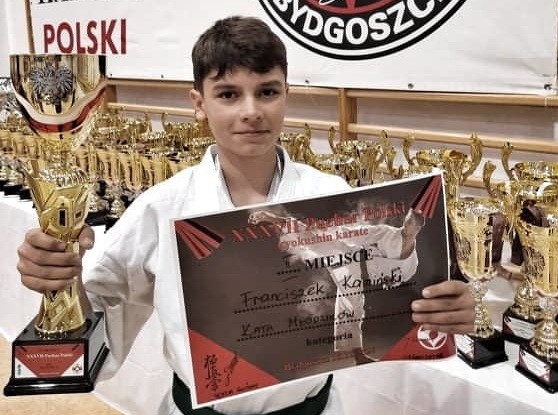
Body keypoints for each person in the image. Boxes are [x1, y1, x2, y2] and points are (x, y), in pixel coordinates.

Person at [16, 16, 475, 415]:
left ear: (287, 95)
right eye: (228, 94)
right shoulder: (162, 207)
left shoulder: (330, 195)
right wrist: (60, 280)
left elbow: (389, 275)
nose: (251, 111)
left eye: (267, 91)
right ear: (199, 104)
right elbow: (100, 306)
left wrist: (445, 306)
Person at [248, 207, 425, 364]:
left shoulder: (413, 262)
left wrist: (390, 281)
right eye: (406, 219)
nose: (405, 224)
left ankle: (357, 355)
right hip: (348, 256)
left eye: (410, 222)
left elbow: (402, 275)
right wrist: (332, 231)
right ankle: (272, 218)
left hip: (355, 276)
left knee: (353, 310)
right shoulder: (388, 233)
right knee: (313, 238)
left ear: (417, 228)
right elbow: (359, 232)